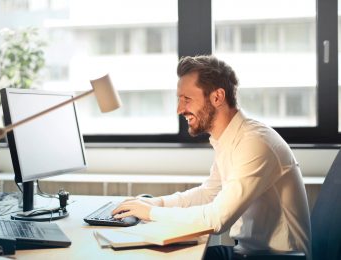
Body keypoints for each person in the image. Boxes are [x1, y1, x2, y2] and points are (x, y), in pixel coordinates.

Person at [112, 55, 311, 260]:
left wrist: (150, 213)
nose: (179, 109)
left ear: (217, 97)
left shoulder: (255, 143)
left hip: (274, 258)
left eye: (186, 99)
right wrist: (156, 204)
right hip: (247, 253)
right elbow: (209, 193)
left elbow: (216, 219)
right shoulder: (229, 138)